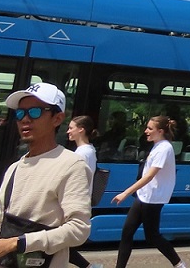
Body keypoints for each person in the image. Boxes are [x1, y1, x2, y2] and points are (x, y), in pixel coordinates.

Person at [0, 83, 91, 268]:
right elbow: (3, 229)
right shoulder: (14, 168)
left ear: (57, 118)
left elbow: (79, 229)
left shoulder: (72, 165)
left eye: (35, 112)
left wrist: (17, 243)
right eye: (20, 113)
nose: (25, 119)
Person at [112, 116, 187, 268]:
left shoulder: (164, 148)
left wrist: (126, 193)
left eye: (150, 128)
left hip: (154, 197)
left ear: (160, 131)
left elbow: (149, 176)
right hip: (144, 195)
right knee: (127, 232)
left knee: (152, 236)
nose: (146, 131)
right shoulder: (157, 146)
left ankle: (179, 264)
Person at [67, 115, 103, 268]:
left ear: (81, 130)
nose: (68, 131)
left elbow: (77, 180)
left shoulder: (82, 153)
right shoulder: (88, 150)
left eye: (71, 128)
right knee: (61, 244)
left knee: (61, 243)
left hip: (75, 202)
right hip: (79, 201)